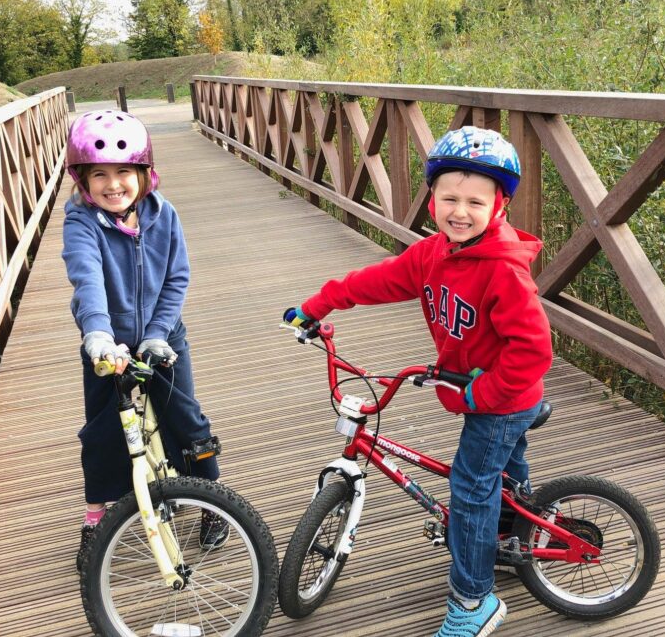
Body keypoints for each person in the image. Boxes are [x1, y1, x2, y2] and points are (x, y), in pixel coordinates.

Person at [285, 126, 552, 636]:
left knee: (470, 487)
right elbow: (378, 280)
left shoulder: (503, 273)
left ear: (500, 206)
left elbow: (535, 350)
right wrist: (318, 305)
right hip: (478, 387)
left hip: (502, 396)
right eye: (449, 197)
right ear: (432, 199)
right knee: (501, 476)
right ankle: (510, 534)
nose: (460, 210)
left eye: (476, 201)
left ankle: (474, 602)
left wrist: (483, 393)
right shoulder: (434, 254)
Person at [61, 109, 226, 572]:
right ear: (83, 180)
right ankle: (98, 515)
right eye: (99, 175)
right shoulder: (81, 222)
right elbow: (86, 276)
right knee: (102, 431)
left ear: (144, 174)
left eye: (123, 173)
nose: (113, 185)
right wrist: (97, 333)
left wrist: (155, 335)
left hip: (162, 337)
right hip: (106, 346)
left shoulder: (164, 215)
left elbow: (176, 279)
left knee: (187, 420)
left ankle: (213, 497)